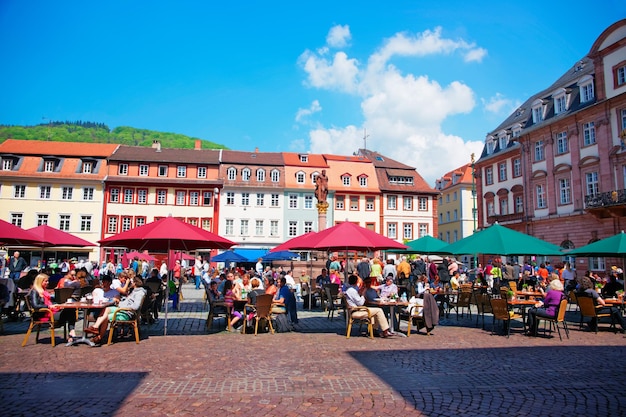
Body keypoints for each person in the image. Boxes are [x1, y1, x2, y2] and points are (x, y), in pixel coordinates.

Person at [84, 275, 147, 344]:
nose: (130, 283)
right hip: (122, 309)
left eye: (131, 282)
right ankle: (96, 328)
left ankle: (99, 336)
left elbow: (135, 306)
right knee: (106, 309)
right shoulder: (135, 291)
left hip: (126, 313)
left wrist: (121, 306)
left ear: (134, 283)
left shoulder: (139, 293)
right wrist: (120, 302)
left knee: (105, 317)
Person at [29, 273, 77, 343]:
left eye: (47, 281)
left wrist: (57, 305)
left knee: (71, 310)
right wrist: (49, 306)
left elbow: (50, 302)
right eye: (45, 281)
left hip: (51, 311)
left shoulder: (44, 290)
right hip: (44, 314)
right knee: (69, 312)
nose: (47, 283)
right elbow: (35, 305)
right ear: (40, 281)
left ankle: (71, 332)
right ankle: (71, 333)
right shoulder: (35, 291)